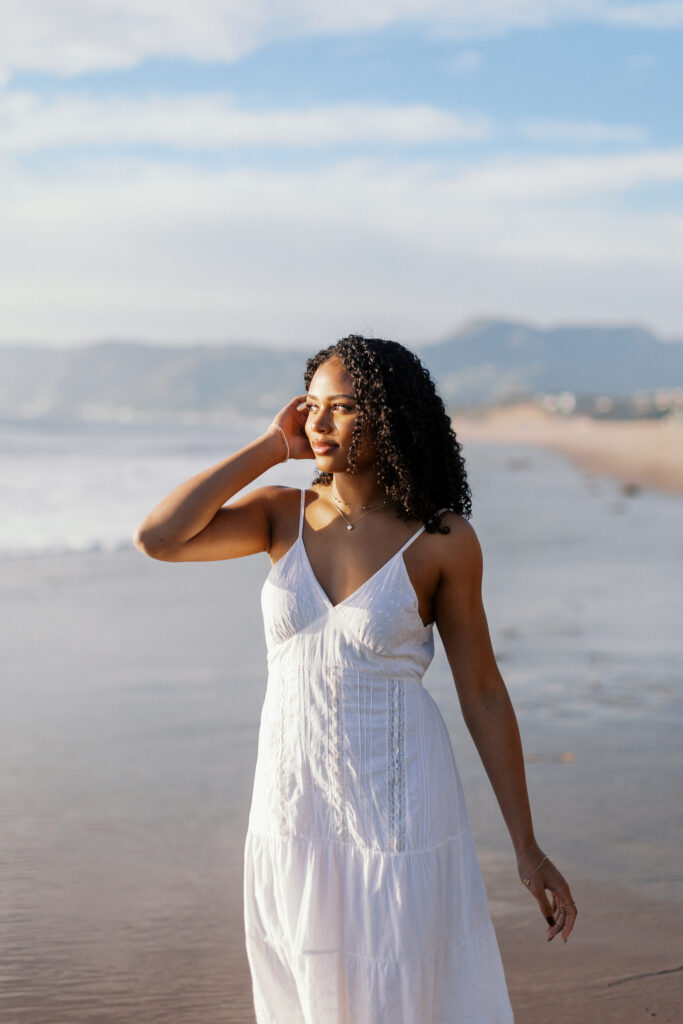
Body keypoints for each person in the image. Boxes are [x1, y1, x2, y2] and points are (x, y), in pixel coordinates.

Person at [134, 334, 577, 1022]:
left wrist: (527, 847)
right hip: (294, 802)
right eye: (310, 405)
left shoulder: (440, 540)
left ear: (389, 417)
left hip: (397, 807)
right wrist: (266, 448)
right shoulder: (283, 516)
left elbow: (482, 692)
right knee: (309, 988)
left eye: (341, 407)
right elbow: (159, 538)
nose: (317, 422)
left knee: (398, 987)